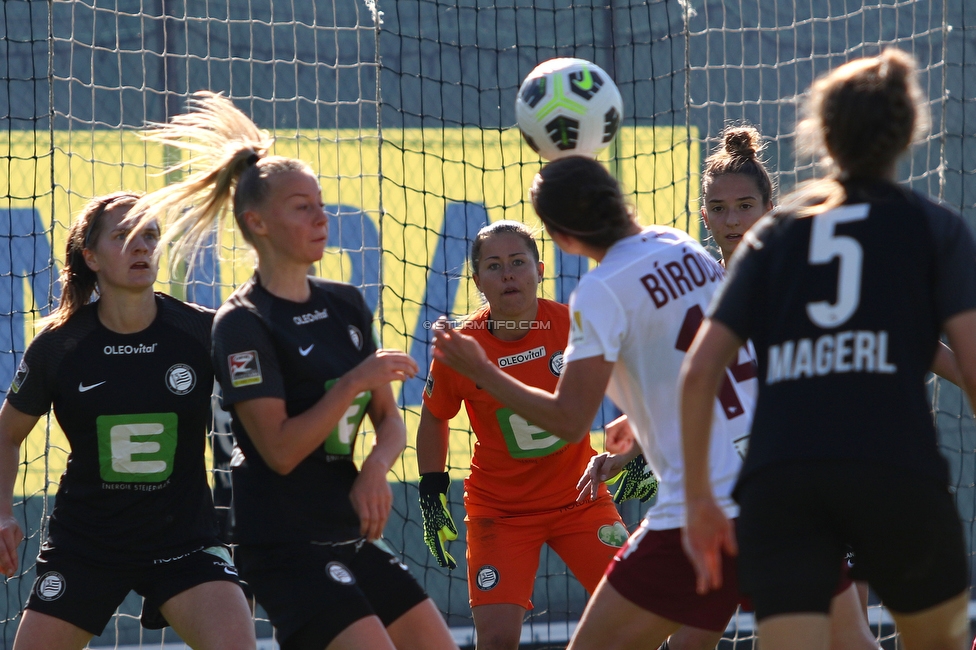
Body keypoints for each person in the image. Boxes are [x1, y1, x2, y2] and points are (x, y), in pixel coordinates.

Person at [132, 91, 458, 650]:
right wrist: (358, 379)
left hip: (346, 529)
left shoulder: (346, 304)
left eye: (321, 203)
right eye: (302, 206)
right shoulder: (242, 323)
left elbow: (390, 421)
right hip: (281, 542)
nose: (321, 216)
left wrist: (376, 468)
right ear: (256, 221)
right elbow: (280, 451)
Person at [680, 49, 976, 650]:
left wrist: (699, 498)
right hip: (893, 467)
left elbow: (699, 372)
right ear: (909, 130)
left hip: (783, 481)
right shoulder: (932, 226)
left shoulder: (776, 234)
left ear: (820, 133)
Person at [0, 192, 255, 650]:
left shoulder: (203, 331)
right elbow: (5, 437)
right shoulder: (59, 346)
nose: (141, 246)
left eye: (150, 235)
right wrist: (1, 513)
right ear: (90, 256)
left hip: (186, 542)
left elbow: (270, 399)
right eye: (123, 236)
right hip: (86, 545)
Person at [416, 220, 652, 650]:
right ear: (477, 281)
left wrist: (642, 447)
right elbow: (434, 417)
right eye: (494, 265)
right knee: (497, 640)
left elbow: (637, 378)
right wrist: (431, 490)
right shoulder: (461, 348)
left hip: (581, 497)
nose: (508, 274)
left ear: (540, 270)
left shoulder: (572, 325)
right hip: (500, 512)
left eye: (518, 262)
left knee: (638, 614)